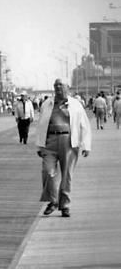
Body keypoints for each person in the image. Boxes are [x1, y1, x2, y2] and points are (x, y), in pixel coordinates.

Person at [35, 79, 91, 218]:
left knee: (67, 175)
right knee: (48, 172)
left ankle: (65, 205)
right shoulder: (47, 104)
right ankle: (53, 201)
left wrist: (86, 145)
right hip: (50, 142)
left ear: (68, 87)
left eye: (61, 85)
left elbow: (84, 125)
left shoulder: (75, 104)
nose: (58, 87)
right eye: (55, 85)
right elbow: (41, 125)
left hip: (69, 142)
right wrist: (39, 145)